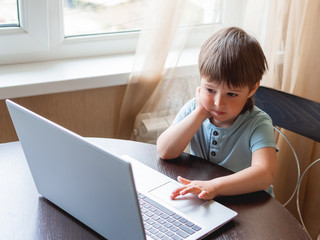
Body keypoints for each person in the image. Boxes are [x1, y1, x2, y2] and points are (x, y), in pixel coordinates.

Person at [156, 27, 278, 200]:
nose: (218, 102)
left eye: (232, 94)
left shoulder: (258, 123)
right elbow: (164, 151)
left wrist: (214, 186)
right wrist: (199, 114)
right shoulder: (194, 109)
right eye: (210, 90)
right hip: (206, 196)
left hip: (248, 204)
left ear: (252, 89)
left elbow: (265, 174)